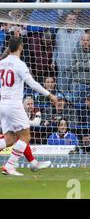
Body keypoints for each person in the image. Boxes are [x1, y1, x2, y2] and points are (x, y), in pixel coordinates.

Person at [0, 37, 57, 176]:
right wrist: (49, 94)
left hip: (2, 104)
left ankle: (32, 163)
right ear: (20, 47)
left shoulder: (1, 63)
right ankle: (9, 165)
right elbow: (32, 83)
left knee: (10, 139)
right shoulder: (19, 64)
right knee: (25, 137)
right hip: (14, 104)